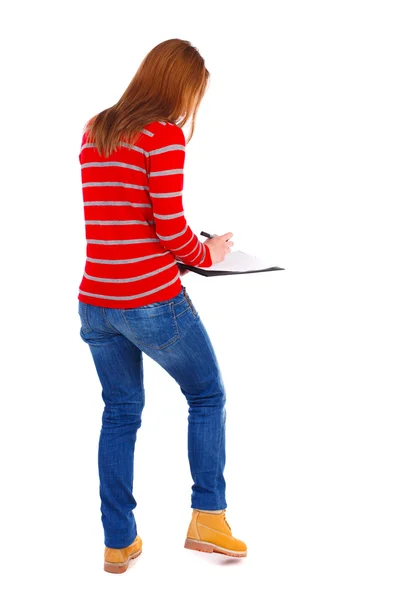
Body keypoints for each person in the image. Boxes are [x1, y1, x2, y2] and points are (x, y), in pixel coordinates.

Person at [77, 38, 247, 574]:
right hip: (150, 301)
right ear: (180, 86)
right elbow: (169, 226)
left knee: (121, 412)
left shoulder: (96, 128)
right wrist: (209, 253)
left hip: (96, 301)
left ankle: (118, 542)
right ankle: (208, 517)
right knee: (207, 394)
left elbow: (119, 220)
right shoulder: (164, 135)